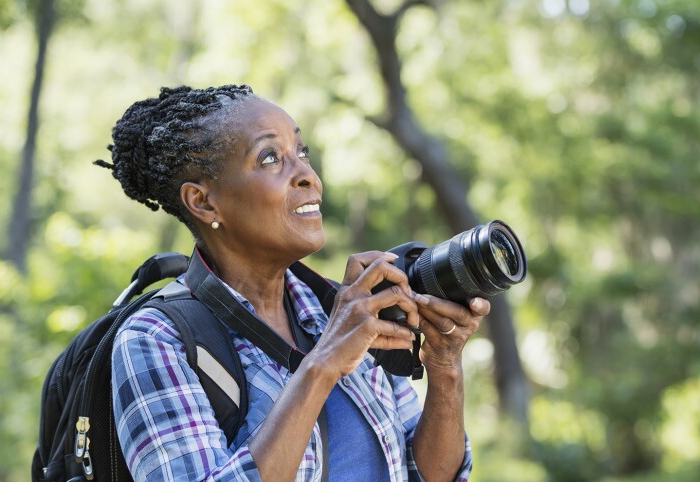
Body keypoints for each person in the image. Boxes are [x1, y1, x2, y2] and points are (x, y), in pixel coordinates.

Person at [96, 84, 489, 482]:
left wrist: (443, 368)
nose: (307, 176)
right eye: (270, 158)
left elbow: (425, 474)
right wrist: (323, 364)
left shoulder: (343, 309)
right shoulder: (156, 340)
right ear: (203, 202)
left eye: (301, 153)